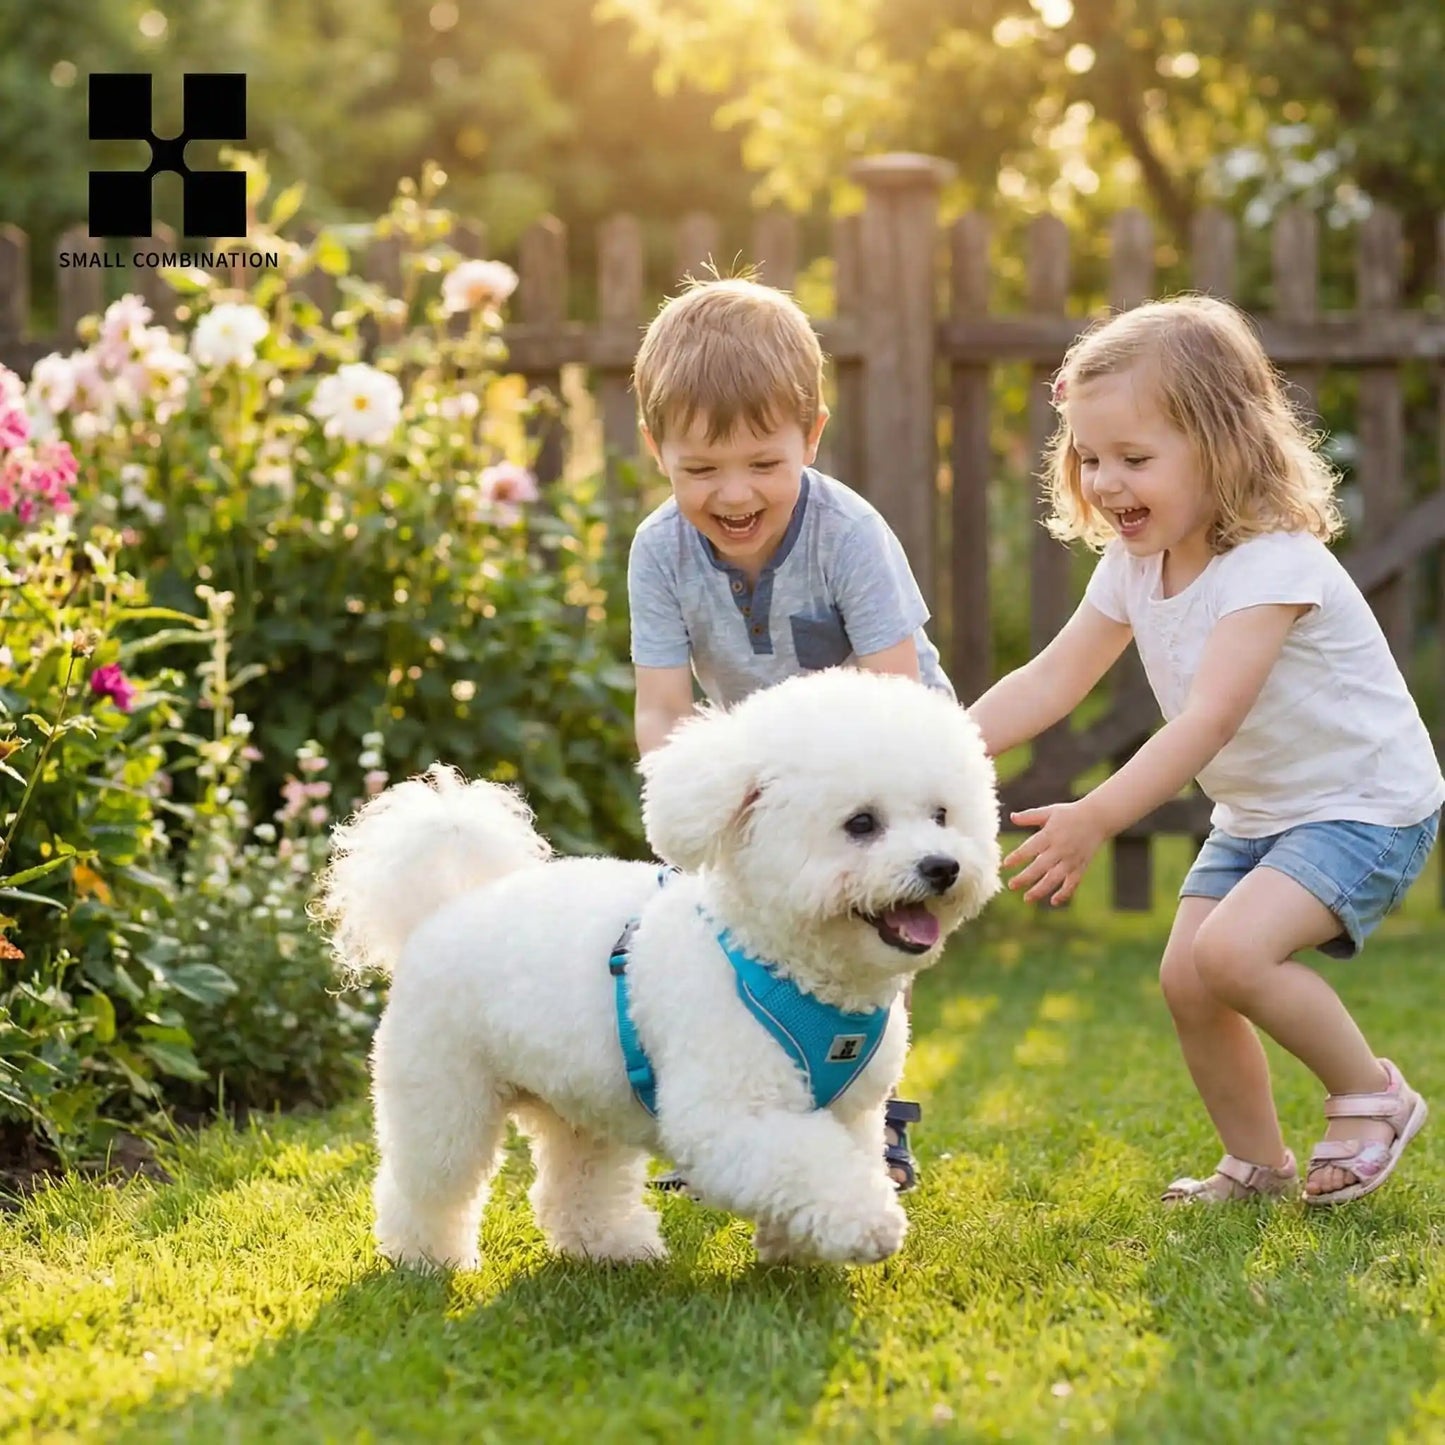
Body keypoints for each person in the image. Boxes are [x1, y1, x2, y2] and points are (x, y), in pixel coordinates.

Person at [968, 294, 1443, 1205]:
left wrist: (1096, 814)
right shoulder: (1134, 563)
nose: (1106, 483)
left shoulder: (1270, 563)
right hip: (1260, 812)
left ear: (1221, 445)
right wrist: (941, 745)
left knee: (1230, 954)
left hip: (1364, 804)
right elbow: (1052, 677)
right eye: (1090, 458)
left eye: (1134, 458)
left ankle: (1372, 1097)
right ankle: (1256, 1164)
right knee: (1189, 980)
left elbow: (1206, 721)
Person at [627, 275, 953, 1191]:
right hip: (763, 776)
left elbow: (894, 694)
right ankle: (735, 1118)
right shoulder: (658, 550)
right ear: (656, 448)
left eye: (763, 463)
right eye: (700, 469)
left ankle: (872, 1121)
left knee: (869, 948)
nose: (733, 494)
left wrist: (872, 815)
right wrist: (690, 808)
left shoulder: (847, 533)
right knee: (739, 944)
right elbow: (662, 706)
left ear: (811, 436)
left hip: (876, 772)